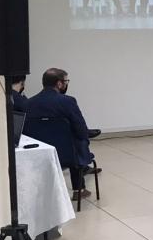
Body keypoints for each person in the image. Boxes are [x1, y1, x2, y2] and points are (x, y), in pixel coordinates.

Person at [27, 68, 100, 197]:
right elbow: (81, 128)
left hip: (38, 153)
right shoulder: (67, 101)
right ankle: (79, 189)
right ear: (59, 84)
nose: (67, 84)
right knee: (78, 141)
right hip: (67, 155)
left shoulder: (29, 103)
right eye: (66, 81)